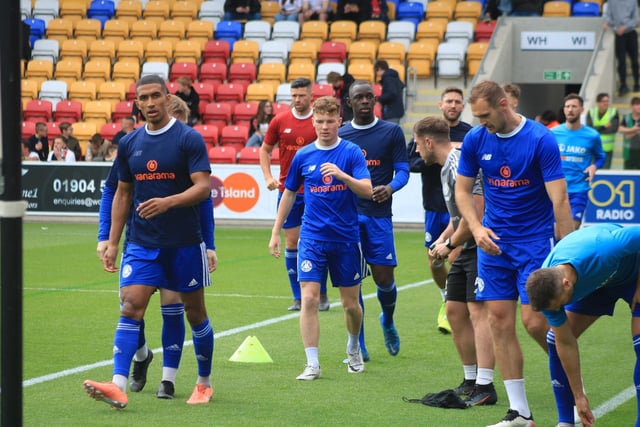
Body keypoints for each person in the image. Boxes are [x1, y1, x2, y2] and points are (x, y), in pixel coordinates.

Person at [83, 74, 215, 409]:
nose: (151, 103)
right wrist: (112, 241)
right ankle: (117, 385)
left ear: (168, 98)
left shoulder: (188, 139)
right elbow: (122, 193)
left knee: (195, 312)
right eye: (145, 98)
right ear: (137, 103)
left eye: (157, 96)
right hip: (142, 242)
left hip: (184, 242)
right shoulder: (129, 143)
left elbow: (203, 187)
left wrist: (169, 202)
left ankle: (203, 382)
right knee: (131, 306)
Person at [455, 80, 574, 427]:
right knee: (498, 321)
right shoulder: (477, 139)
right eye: (476, 117)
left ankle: (569, 376)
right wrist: (476, 230)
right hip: (492, 243)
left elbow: (560, 200)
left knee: (534, 321)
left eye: (485, 115)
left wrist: (566, 257)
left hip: (534, 242)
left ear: (504, 104)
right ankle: (520, 411)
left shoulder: (540, 139)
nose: (481, 123)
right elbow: (463, 192)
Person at [268, 96, 372, 380]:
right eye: (320, 121)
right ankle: (312, 363)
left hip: (346, 239)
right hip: (312, 238)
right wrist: (276, 231)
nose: (325, 127)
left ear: (339, 121)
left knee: (351, 305)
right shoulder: (303, 156)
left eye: (330, 121)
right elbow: (289, 193)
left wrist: (342, 176)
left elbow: (367, 189)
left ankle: (353, 346)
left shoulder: (351, 153)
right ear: (313, 122)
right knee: (310, 299)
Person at [415, 116, 497, 407]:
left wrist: (449, 244)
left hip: (483, 247)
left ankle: (486, 385)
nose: (417, 150)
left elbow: (476, 211)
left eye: (416, 143)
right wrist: (441, 240)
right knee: (454, 310)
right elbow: (458, 218)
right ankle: (471, 378)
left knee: (478, 313)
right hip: (467, 246)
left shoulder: (458, 164)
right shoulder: (444, 169)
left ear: (427, 141)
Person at [526, 223, 640, 427]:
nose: (558, 310)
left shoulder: (605, 247)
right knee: (554, 340)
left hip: (632, 274)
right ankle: (565, 422)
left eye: (560, 305)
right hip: (597, 286)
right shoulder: (546, 290)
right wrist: (579, 396)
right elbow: (566, 343)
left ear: (566, 284)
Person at [339, 81, 409, 359]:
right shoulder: (341, 135)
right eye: (359, 97)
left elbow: (403, 171)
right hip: (348, 217)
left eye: (369, 96)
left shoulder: (391, 132)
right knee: (352, 282)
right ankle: (359, 345)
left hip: (379, 216)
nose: (365, 101)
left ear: (375, 99)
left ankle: (388, 320)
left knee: (384, 278)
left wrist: (390, 187)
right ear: (350, 101)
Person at [260, 78, 330, 311]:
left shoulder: (318, 122)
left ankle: (321, 293)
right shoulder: (280, 120)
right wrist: (268, 176)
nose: (297, 99)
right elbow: (265, 150)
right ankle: (298, 297)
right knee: (291, 242)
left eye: (301, 95)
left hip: (317, 191)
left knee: (318, 241)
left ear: (311, 96)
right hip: (289, 190)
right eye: (294, 96)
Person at [407, 86, 472, 334]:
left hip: (462, 209)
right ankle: (447, 296)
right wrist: (434, 157)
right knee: (435, 257)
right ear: (440, 105)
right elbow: (412, 162)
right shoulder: (424, 133)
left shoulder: (469, 135)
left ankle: (453, 306)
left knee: (455, 255)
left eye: (457, 101)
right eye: (449, 101)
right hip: (435, 205)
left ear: (462, 106)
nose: (453, 105)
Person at [552, 94, 606, 229]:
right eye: (567, 106)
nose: (570, 110)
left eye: (574, 106)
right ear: (564, 110)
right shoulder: (553, 133)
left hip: (578, 190)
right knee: (556, 233)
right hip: (556, 189)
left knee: (571, 231)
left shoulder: (592, 135)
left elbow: (601, 157)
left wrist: (594, 166)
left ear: (582, 109)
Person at [603, 0, 639, 96]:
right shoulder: (611, 2)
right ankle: (623, 85)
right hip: (619, 34)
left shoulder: (633, 1)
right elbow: (608, 17)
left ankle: (637, 83)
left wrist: (625, 27)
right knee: (621, 61)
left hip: (631, 33)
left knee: (634, 60)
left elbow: (635, 19)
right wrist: (615, 27)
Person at [586, 92, 619, 169]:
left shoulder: (613, 112)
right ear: (598, 103)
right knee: (593, 170)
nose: (606, 103)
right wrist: (604, 126)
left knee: (605, 171)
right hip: (594, 147)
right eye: (603, 101)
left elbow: (613, 129)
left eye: (607, 101)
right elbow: (589, 129)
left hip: (607, 148)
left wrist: (597, 128)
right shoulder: (591, 112)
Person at [619, 96, 640, 169]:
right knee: (628, 172)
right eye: (637, 104)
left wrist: (630, 133)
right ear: (631, 106)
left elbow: (628, 135)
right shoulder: (626, 117)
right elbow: (620, 129)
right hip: (629, 151)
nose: (639, 107)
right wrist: (634, 130)